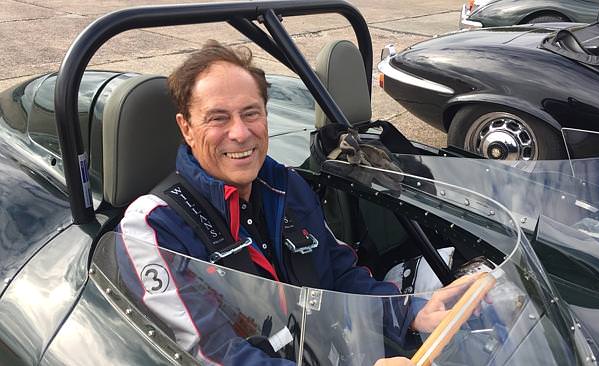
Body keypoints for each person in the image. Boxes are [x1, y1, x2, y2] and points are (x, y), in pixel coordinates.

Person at [117, 40, 476, 365]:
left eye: (251, 112)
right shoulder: (154, 226)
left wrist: (411, 310)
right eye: (218, 118)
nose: (240, 132)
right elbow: (214, 354)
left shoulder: (286, 185)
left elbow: (338, 273)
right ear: (186, 128)